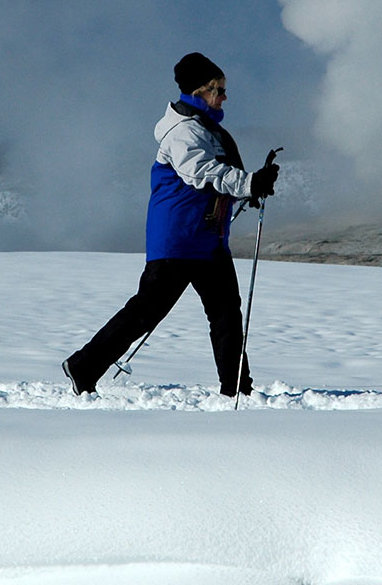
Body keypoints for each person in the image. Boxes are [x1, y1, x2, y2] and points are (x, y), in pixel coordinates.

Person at [63, 52, 278, 396]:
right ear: (199, 91)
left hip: (207, 239)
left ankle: (238, 388)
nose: (224, 97)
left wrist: (248, 189)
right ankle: (83, 365)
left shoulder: (205, 128)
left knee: (226, 314)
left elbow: (216, 178)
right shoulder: (184, 131)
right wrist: (249, 183)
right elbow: (201, 173)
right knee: (146, 312)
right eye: (218, 89)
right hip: (178, 241)